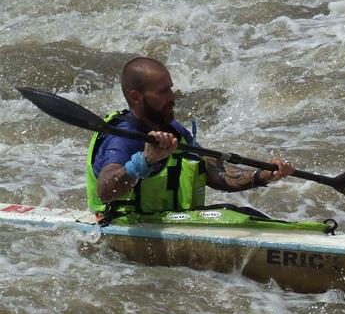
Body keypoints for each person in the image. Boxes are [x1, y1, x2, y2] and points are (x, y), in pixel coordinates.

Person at [87, 57, 294, 221]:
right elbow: (106, 190)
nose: (173, 96)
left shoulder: (173, 130)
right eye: (163, 91)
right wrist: (145, 160)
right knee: (232, 214)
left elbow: (216, 172)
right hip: (127, 227)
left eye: (170, 87)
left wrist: (261, 175)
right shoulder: (122, 139)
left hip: (170, 223)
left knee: (244, 214)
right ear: (135, 97)